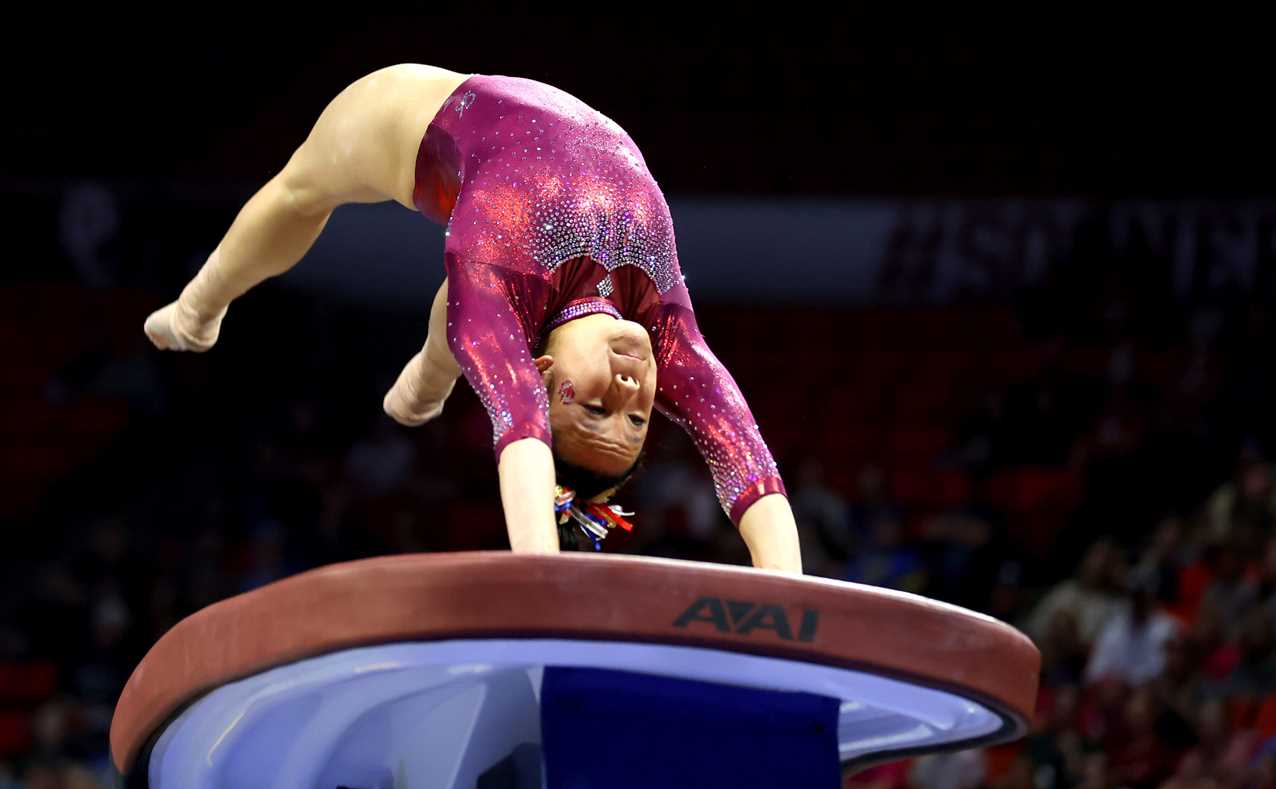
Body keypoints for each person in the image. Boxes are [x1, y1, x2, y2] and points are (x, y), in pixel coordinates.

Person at [143, 63, 800, 570]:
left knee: (300, 191)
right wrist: (792, 601)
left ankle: (196, 309)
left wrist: (542, 579)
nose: (629, 394)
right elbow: (748, 463)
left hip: (416, 128)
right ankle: (426, 382)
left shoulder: (499, 296)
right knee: (475, 297)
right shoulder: (665, 333)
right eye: (636, 419)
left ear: (539, 374)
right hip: (494, 239)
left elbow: (520, 434)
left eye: (594, 409)